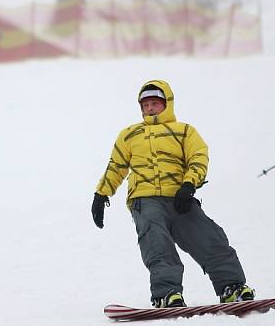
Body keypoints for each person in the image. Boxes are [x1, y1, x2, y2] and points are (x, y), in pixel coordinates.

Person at [91, 80, 254, 308]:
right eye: (145, 104)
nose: (149, 108)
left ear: (167, 103)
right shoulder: (129, 135)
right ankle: (166, 294)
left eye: (154, 103)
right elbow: (116, 166)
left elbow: (198, 156)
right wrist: (101, 194)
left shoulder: (184, 131)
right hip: (144, 200)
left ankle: (232, 287)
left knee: (209, 238)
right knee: (157, 244)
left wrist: (189, 186)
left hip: (180, 198)